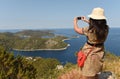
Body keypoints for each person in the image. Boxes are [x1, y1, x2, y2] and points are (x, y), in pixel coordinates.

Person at [73, 7, 109, 79]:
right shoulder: (106, 29)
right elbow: (98, 27)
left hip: (89, 53)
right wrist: (86, 21)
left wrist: (75, 22)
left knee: (87, 73)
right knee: (96, 70)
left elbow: (77, 30)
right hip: (100, 52)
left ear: (92, 19)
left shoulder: (89, 30)